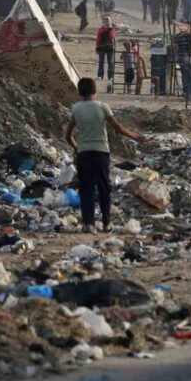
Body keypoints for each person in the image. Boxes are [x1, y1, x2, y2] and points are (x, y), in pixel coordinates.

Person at [65, 78, 144, 232]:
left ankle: (88, 223)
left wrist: (77, 147)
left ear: (80, 92)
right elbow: (118, 127)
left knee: (86, 187)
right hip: (101, 151)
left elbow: (68, 136)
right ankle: (107, 222)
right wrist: (135, 137)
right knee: (103, 187)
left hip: (84, 153)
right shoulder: (103, 107)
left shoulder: (76, 109)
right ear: (95, 91)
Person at [95, 16, 117, 87]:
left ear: (110, 21)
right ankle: (100, 76)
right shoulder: (100, 29)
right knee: (101, 62)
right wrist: (96, 48)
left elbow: (112, 37)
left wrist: (110, 29)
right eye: (105, 20)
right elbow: (98, 39)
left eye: (108, 20)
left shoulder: (112, 29)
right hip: (101, 47)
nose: (106, 22)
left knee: (110, 62)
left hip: (110, 48)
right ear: (103, 21)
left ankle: (110, 76)